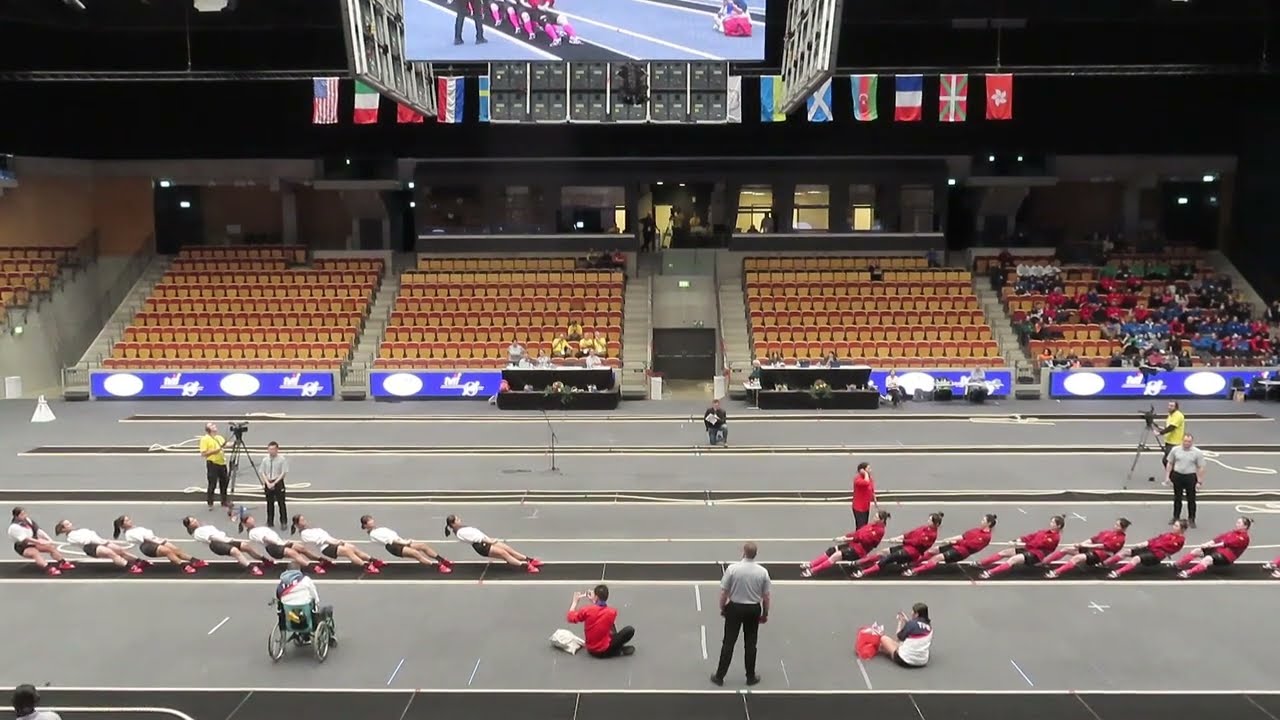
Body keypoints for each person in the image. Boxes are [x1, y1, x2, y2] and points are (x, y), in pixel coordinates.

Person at [711, 542, 770, 687]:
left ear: (743, 552)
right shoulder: (762, 572)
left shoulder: (732, 569)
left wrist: (723, 608)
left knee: (728, 642)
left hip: (735, 608)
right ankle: (750, 677)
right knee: (750, 644)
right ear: (755, 554)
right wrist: (765, 613)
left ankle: (720, 676)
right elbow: (766, 596)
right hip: (753, 609)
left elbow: (724, 592)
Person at [851, 512, 944, 578]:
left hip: (912, 552)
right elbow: (909, 534)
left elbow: (917, 543)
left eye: (930, 520)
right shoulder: (924, 528)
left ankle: (864, 572)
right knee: (884, 552)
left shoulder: (932, 535)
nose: (928, 521)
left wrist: (903, 541)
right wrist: (898, 538)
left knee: (887, 559)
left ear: (936, 524)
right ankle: (862, 562)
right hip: (906, 547)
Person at [801, 510, 888, 577]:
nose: (874, 518)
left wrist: (851, 538)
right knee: (831, 550)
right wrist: (845, 537)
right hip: (853, 544)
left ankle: (813, 571)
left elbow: (865, 540)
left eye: (876, 517)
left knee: (836, 555)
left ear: (882, 520)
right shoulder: (871, 525)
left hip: (859, 551)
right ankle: (811, 564)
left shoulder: (880, 531)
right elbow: (858, 533)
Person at [904, 514, 996, 576]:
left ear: (989, 523)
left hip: (961, 552)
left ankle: (914, 571)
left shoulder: (986, 537)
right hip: (956, 546)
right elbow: (962, 536)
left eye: (983, 520)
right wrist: (950, 539)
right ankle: (914, 563)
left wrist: (955, 542)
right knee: (933, 550)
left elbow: (971, 545)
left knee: (937, 558)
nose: (981, 521)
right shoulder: (976, 530)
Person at [444, 514, 542, 573]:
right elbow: (477, 538)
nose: (460, 519)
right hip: (482, 546)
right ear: (453, 524)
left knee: (508, 549)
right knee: (504, 554)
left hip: (486, 540)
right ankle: (526, 566)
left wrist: (489, 539)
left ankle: (529, 560)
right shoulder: (460, 532)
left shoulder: (460, 528)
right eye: (457, 519)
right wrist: (490, 541)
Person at [975, 515, 1065, 579]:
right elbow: (1030, 536)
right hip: (1028, 549)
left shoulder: (1055, 538)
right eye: (1051, 521)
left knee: (1013, 559)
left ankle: (989, 573)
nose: (1050, 523)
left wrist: (1023, 544)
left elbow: (1038, 544)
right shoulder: (1043, 531)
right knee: (1005, 552)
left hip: (1036, 555)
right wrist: (1017, 540)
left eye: (1053, 522)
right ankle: (981, 563)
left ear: (1058, 526)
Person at [361, 515, 453, 573]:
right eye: (369, 521)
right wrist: (405, 542)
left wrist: (404, 540)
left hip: (400, 542)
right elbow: (391, 541)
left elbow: (394, 537)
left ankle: (442, 560)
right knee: (416, 554)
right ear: (365, 525)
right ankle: (439, 567)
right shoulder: (374, 534)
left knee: (423, 546)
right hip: (394, 547)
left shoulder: (379, 529)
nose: (372, 521)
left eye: (371, 519)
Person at [291, 515, 382, 574]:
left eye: (304, 519)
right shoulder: (305, 534)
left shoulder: (311, 529)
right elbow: (322, 540)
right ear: (297, 524)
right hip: (326, 548)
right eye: (302, 520)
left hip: (332, 544)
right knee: (348, 551)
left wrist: (337, 541)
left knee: (352, 547)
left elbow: (327, 537)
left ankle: (373, 560)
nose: (304, 521)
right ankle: (367, 567)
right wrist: (336, 542)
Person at [1042, 518, 1131, 578]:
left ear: (1123, 528)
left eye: (1118, 526)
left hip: (1100, 555)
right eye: (1115, 524)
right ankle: (1044, 563)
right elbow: (1092, 540)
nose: (1115, 526)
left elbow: (1102, 546)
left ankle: (1056, 573)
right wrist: (1081, 544)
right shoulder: (1107, 532)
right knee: (1066, 549)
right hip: (1091, 550)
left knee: (1077, 558)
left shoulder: (1120, 539)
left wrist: (1085, 546)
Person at [239, 513, 326, 574]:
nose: (251, 520)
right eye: (248, 520)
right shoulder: (252, 533)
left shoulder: (259, 528)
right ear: (244, 524)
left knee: (301, 548)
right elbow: (266, 539)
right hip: (274, 548)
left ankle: (321, 560)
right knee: (293, 553)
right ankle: (312, 567)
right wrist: (280, 544)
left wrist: (282, 542)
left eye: (250, 518)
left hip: (280, 543)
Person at [183, 516, 272, 575]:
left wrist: (229, 540)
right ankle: (252, 568)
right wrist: (229, 541)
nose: (195, 520)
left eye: (194, 519)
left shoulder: (204, 527)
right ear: (190, 526)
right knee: (235, 551)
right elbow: (213, 538)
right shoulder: (197, 533)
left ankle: (264, 560)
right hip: (216, 544)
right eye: (192, 521)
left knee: (246, 546)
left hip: (226, 540)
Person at [113, 515, 201, 573]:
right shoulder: (129, 534)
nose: (130, 521)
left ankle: (194, 560)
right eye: (127, 521)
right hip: (147, 547)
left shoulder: (136, 528)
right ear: (122, 525)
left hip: (155, 541)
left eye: (129, 519)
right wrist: (160, 542)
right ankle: (184, 567)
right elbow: (147, 539)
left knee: (175, 549)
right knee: (168, 551)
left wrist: (161, 540)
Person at [566, 585, 635, 658]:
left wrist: (575, 602)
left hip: (590, 649)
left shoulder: (586, 610)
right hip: (603, 651)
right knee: (629, 630)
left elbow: (570, 618)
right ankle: (618, 650)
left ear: (596, 597)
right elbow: (602, 610)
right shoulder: (612, 612)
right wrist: (595, 600)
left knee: (607, 623)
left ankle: (616, 650)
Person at [1104, 520, 1188, 578]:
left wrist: (1149, 544)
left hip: (1157, 555)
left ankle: (1117, 573)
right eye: (1174, 525)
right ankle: (1105, 563)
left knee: (1136, 559)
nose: (1173, 527)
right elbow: (1155, 540)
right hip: (1149, 549)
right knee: (1126, 552)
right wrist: (1144, 543)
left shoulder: (1180, 540)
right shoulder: (1168, 534)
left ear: (1182, 529)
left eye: (1176, 526)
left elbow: (1162, 545)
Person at [276, 568, 338, 646]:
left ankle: (304, 636)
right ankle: (329, 635)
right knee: (326, 610)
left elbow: (278, 596)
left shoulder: (282, 583)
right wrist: (316, 603)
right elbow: (314, 596)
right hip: (305, 614)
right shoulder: (306, 580)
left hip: (290, 616)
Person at [53, 520, 143, 574]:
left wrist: (103, 541)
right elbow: (87, 541)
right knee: (111, 553)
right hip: (90, 548)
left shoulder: (81, 530)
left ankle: (139, 561)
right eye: (68, 524)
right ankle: (130, 567)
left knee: (120, 550)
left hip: (99, 542)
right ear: (63, 529)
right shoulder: (70, 538)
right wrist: (101, 541)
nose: (71, 524)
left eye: (69, 523)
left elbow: (93, 536)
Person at [1176, 517, 1251, 578]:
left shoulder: (1243, 538)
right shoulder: (1233, 532)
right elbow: (1218, 539)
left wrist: (1209, 546)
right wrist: (1206, 544)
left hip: (1226, 557)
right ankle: (1178, 564)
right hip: (1218, 550)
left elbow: (1224, 544)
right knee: (1197, 551)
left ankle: (1188, 573)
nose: (1236, 524)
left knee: (1207, 559)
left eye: (1239, 523)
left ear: (1245, 526)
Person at [8, 507, 72, 576]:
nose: (25, 515)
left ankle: (62, 563)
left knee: (50, 547)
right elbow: (25, 539)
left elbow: (38, 530)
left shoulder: (28, 520)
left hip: (33, 542)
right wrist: (39, 542)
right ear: (16, 516)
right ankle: (48, 569)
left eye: (25, 513)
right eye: (22, 514)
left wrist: (48, 539)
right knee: (34, 552)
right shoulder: (14, 527)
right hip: (23, 547)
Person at [1164, 434, 1205, 528]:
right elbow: (1170, 463)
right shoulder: (1175, 450)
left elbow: (1201, 467)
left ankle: (1191, 518)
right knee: (1177, 498)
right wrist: (1167, 476)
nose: (1187, 443)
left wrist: (1199, 481)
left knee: (1191, 499)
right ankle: (1176, 517)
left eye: (1189, 441)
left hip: (1190, 476)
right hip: (1177, 475)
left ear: (1192, 442)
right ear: (1182, 441)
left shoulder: (1197, 452)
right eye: (1185, 441)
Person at [875, 602, 932, 669]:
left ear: (916, 614)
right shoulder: (929, 627)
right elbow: (915, 629)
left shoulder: (911, 624)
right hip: (923, 661)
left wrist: (900, 622)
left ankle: (883, 649)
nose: (911, 613)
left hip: (904, 660)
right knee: (902, 644)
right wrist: (907, 621)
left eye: (913, 611)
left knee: (884, 639)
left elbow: (898, 637)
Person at [199, 422, 232, 515]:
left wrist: (235, 442)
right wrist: (215, 451)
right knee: (212, 484)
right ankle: (210, 503)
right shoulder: (205, 439)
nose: (215, 426)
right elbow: (203, 453)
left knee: (224, 482)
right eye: (212, 425)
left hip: (222, 463)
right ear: (208, 429)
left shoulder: (219, 437)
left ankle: (224, 501)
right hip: (212, 463)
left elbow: (225, 444)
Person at [260, 441, 289, 529]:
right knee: (269, 503)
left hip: (278, 482)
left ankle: (283, 521)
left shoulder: (282, 459)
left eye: (273, 449)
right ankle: (270, 521)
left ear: (277, 450)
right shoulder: (265, 460)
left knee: (281, 503)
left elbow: (283, 472)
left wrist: (275, 482)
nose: (271, 451)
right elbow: (262, 472)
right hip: (268, 482)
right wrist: (267, 483)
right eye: (269, 449)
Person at [1155, 400, 1186, 472]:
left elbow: (1172, 427)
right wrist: (1162, 429)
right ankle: (1172, 476)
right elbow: (1170, 427)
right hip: (1169, 441)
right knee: (1168, 461)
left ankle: (1174, 476)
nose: (1169, 407)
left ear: (1176, 407)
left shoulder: (1178, 415)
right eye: (1169, 405)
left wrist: (1160, 433)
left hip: (1175, 442)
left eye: (1172, 406)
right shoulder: (1170, 415)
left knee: (1167, 461)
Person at [851, 461, 877, 528]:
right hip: (859, 507)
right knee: (860, 526)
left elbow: (871, 488)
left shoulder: (869, 478)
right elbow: (866, 483)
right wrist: (865, 473)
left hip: (866, 506)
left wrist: (874, 499)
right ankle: (858, 538)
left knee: (864, 525)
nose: (870, 470)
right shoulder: (857, 479)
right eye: (868, 469)